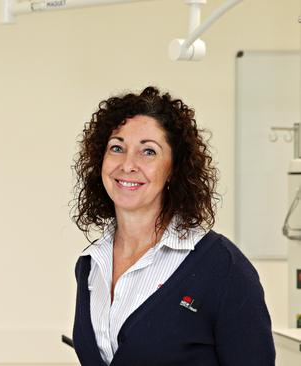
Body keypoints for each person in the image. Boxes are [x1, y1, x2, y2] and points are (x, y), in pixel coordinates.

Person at [71, 86, 275, 365]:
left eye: (148, 152)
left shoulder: (222, 267)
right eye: (117, 148)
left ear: (173, 169)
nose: (128, 165)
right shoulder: (91, 265)